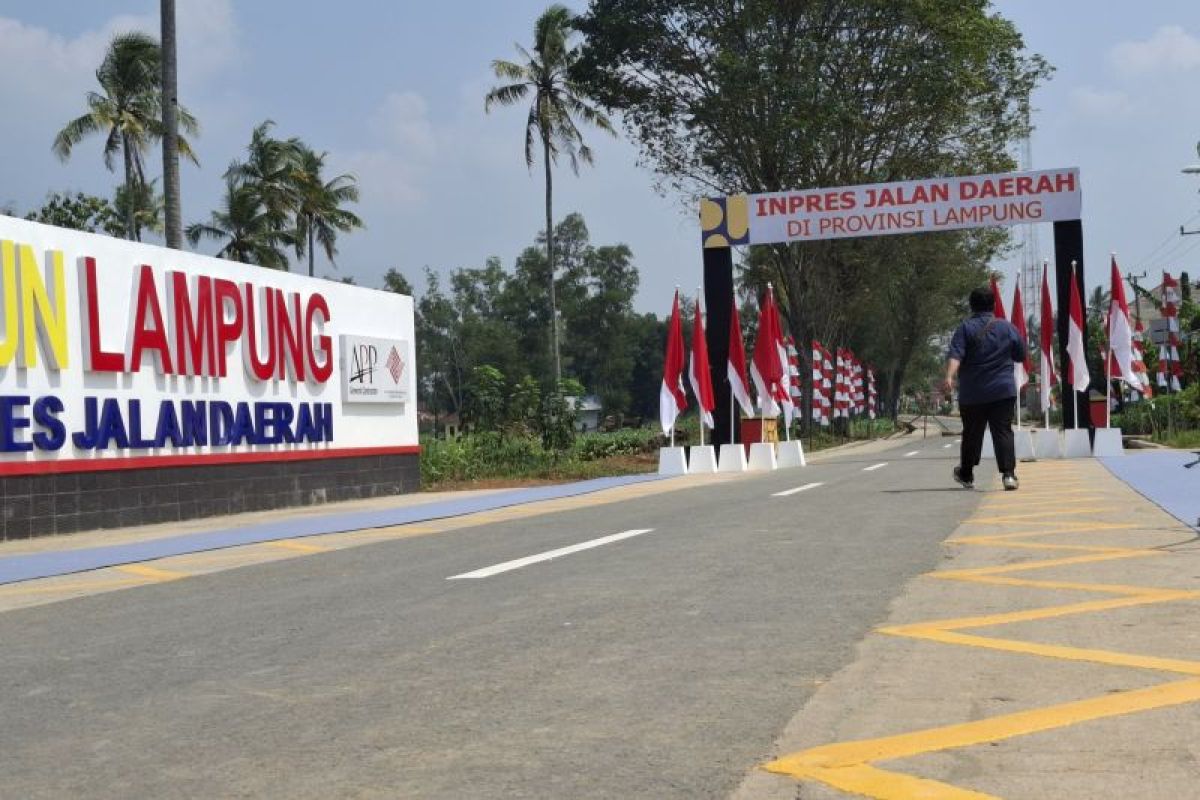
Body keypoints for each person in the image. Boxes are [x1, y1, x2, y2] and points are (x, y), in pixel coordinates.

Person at [943, 286, 1027, 491]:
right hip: (1003, 391)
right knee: (1003, 432)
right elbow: (1020, 355)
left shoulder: (965, 328)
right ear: (994, 305)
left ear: (971, 306)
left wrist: (949, 376)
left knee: (972, 434)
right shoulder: (1007, 328)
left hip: (973, 393)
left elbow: (956, 355)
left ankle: (967, 474)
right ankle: (1008, 475)